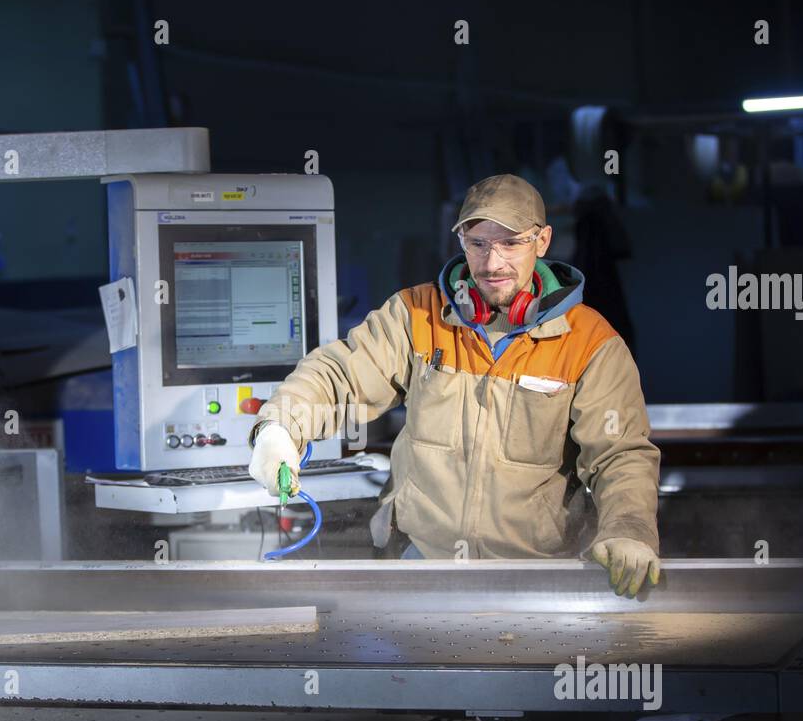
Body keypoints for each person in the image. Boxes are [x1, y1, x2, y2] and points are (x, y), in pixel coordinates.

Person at [247, 174, 660, 597]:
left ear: (543, 241)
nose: (492, 263)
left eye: (511, 243)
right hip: (419, 566)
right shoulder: (416, 315)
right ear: (461, 240)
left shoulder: (589, 341)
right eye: (478, 243)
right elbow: (339, 376)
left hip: (538, 579)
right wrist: (280, 427)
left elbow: (620, 454)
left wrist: (629, 528)